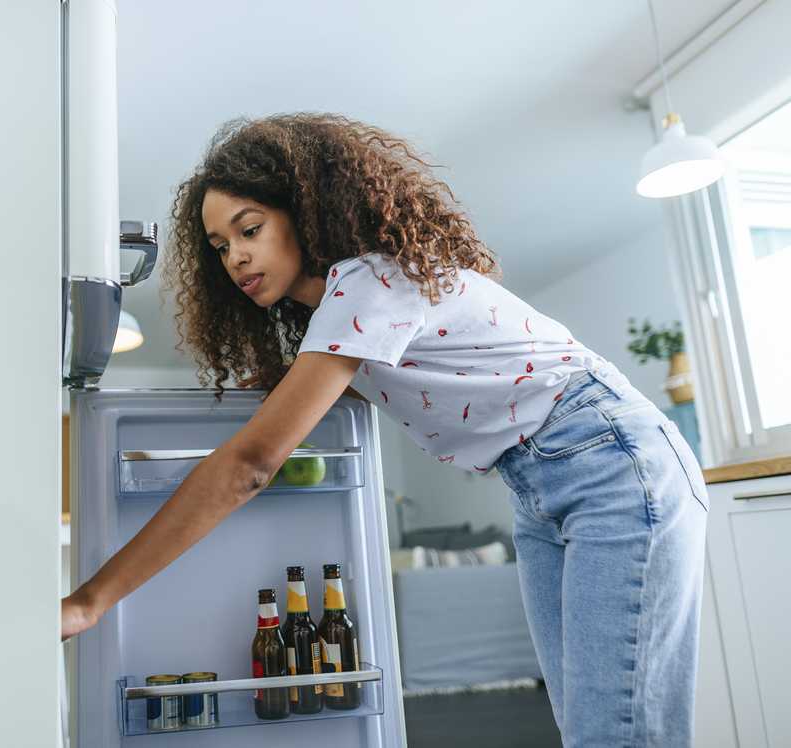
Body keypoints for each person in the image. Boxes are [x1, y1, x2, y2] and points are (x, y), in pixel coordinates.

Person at [61, 113, 708, 746]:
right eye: (220, 246)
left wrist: (91, 601)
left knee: (617, 732)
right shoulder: (339, 322)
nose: (236, 256)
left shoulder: (368, 281)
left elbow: (249, 464)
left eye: (249, 228)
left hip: (610, 462)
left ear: (304, 210)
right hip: (540, 484)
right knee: (592, 729)